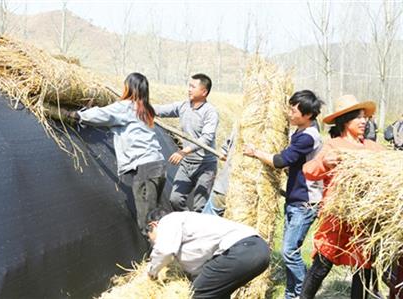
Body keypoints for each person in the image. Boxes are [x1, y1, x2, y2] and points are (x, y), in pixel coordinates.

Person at [300, 95, 385, 299]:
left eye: (365, 117)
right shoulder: (333, 146)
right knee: (321, 265)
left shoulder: (373, 148)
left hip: (364, 221)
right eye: (358, 117)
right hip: (336, 219)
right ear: (345, 121)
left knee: (363, 269)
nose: (364, 121)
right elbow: (309, 170)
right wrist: (324, 164)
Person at [243, 90, 324, 299]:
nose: (289, 113)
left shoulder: (308, 137)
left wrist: (255, 153)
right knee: (291, 251)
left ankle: (305, 292)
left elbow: (281, 161)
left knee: (289, 252)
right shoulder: (300, 131)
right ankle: (292, 294)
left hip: (305, 203)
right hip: (295, 199)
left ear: (307, 115)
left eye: (293, 109)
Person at [61, 72, 167, 231]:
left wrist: (76, 115)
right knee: (155, 215)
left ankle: (158, 253)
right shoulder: (145, 109)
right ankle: (167, 249)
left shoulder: (126, 107)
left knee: (147, 221)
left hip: (146, 168)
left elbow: (102, 114)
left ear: (129, 88)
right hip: (158, 165)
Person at [145, 208, 270, 299]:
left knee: (195, 295)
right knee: (217, 294)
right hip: (259, 250)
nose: (153, 244)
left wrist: (152, 271)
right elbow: (200, 270)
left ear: (153, 225)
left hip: (242, 249)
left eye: (150, 239)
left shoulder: (168, 220)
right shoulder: (190, 226)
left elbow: (164, 250)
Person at [154, 74, 219, 212]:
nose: (189, 89)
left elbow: (206, 139)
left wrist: (183, 152)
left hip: (205, 166)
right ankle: (190, 222)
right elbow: (160, 110)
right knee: (175, 199)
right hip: (187, 164)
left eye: (193, 87)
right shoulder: (183, 106)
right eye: (189, 86)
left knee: (199, 207)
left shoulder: (210, 112)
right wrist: (139, 106)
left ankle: (199, 230)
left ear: (204, 92)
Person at [201, 126, 237, 216]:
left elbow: (223, 154)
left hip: (224, 187)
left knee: (206, 221)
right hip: (242, 195)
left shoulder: (240, 123)